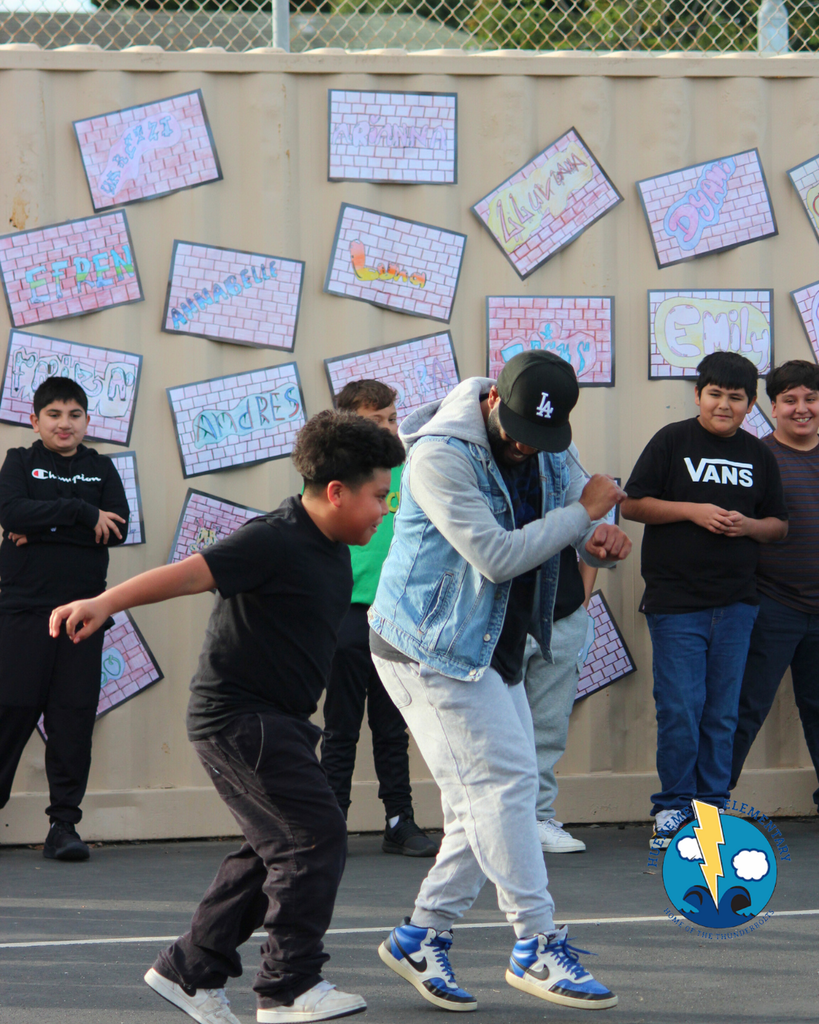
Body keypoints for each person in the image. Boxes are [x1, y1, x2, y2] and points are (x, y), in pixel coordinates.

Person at [50, 410, 405, 1024]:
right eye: (380, 496)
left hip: (280, 720)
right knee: (314, 836)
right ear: (336, 492)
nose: (385, 509)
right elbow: (189, 574)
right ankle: (289, 986)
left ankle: (190, 969)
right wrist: (105, 602)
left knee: (271, 848)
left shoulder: (332, 546)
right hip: (241, 718)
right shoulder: (275, 537)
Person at [369, 351, 630, 1012]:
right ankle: (535, 942)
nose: (524, 447)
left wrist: (595, 541)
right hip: (431, 647)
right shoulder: (439, 457)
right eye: (515, 432)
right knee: (506, 785)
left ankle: (420, 936)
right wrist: (582, 516)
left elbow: (575, 517)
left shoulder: (548, 448)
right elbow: (493, 555)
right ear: (492, 400)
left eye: (540, 437)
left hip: (495, 641)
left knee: (479, 802)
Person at [621, 352, 789, 852]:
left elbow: (778, 525)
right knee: (680, 708)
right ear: (697, 395)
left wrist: (749, 525)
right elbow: (632, 504)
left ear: (751, 404)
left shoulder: (759, 455)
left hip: (738, 604)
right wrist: (692, 511)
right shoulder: (672, 441)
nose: (724, 405)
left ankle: (710, 809)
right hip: (676, 604)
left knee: (722, 713)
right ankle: (672, 808)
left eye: (735, 397)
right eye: (714, 394)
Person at [0, 376, 128, 862]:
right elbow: (11, 513)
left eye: (74, 415)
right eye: (54, 414)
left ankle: (63, 826)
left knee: (72, 719)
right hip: (23, 611)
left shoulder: (101, 468)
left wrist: (41, 528)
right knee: (9, 712)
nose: (64, 423)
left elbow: (116, 530)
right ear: (35, 421)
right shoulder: (19, 461)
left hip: (83, 615)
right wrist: (80, 512)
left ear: (87, 422)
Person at [321, 380, 437, 857]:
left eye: (392, 418)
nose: (389, 428)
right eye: (376, 421)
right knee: (341, 725)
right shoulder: (331, 477)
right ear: (348, 424)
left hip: (398, 616)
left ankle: (399, 819)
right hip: (347, 613)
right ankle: (330, 822)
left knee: (393, 724)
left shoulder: (411, 471)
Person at [730, 360, 819, 813]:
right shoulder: (757, 458)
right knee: (743, 709)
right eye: (790, 400)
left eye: (811, 398)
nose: (801, 408)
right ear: (772, 406)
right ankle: (706, 807)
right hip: (771, 606)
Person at [522, 557, 597, 854]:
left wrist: (582, 604)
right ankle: (488, 822)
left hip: (562, 612)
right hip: (495, 615)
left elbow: (590, 538)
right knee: (489, 728)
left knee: (548, 725)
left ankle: (538, 817)